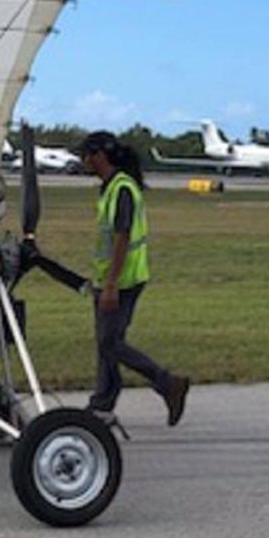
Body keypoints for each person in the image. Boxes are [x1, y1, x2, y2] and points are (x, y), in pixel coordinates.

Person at [77, 131, 189, 426]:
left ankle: (167, 383)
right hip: (113, 278)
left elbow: (122, 237)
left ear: (99, 155)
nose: (83, 161)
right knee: (108, 343)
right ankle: (102, 404)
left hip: (123, 280)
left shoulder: (122, 188)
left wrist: (112, 284)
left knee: (110, 343)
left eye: (86, 155)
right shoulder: (112, 186)